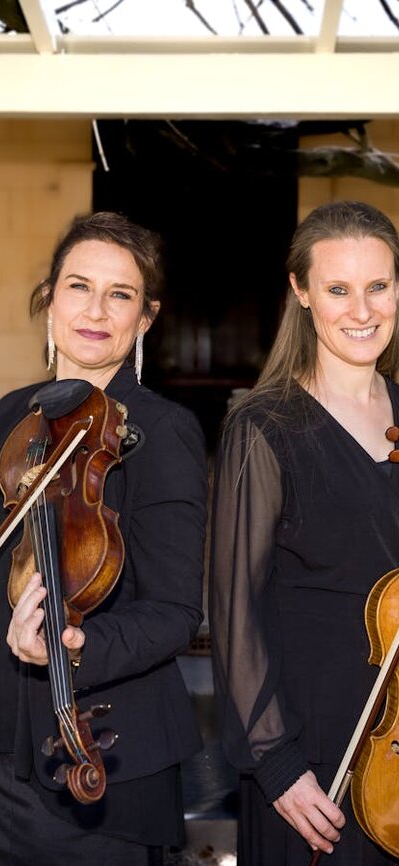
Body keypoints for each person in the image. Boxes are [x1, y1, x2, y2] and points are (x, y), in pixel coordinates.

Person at [0, 211, 208, 865]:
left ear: (145, 317)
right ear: (50, 297)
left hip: (97, 763)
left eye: (119, 294)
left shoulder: (161, 430)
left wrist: (75, 644)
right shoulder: (10, 417)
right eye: (78, 286)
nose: (95, 309)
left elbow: (177, 613)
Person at [209, 200, 399, 865]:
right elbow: (236, 613)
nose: (362, 309)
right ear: (302, 293)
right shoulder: (266, 428)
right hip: (315, 755)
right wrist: (278, 764)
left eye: (378, 286)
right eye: (338, 289)